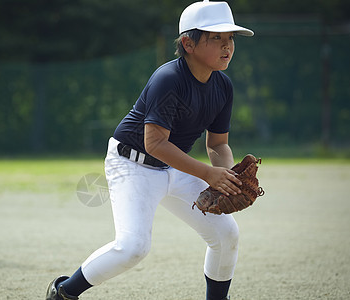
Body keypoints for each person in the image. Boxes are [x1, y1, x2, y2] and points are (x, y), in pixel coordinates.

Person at [46, 1, 253, 299]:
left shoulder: (223, 86)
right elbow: (153, 143)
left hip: (175, 166)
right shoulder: (168, 79)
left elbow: (217, 143)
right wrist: (209, 174)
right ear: (188, 43)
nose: (227, 46)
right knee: (133, 248)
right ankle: (64, 292)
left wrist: (228, 177)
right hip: (132, 164)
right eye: (216, 37)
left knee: (226, 233)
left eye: (230, 38)